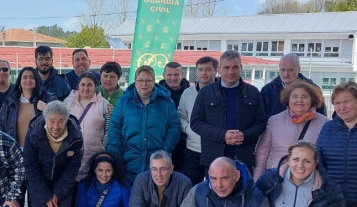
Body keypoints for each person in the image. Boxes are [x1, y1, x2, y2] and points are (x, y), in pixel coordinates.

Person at [24, 101, 82, 207]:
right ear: (45, 120)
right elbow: (30, 166)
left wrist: (57, 193)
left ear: (66, 120)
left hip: (62, 182)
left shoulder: (76, 137)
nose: (56, 126)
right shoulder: (33, 134)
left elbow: (72, 169)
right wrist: (46, 196)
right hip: (39, 181)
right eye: (52, 121)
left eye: (61, 121)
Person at [0, 67, 56, 207]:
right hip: (15, 155)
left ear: (36, 80)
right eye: (25, 77)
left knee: (36, 193)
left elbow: (60, 118)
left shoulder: (47, 99)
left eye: (31, 77)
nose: (28, 80)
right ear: (20, 81)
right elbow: (0, 128)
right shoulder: (10, 101)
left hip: (38, 154)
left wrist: (47, 109)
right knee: (16, 193)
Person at [190, 50, 266, 176]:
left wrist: (245, 135)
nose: (231, 72)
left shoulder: (253, 92)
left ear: (241, 68)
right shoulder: (206, 92)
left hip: (243, 158)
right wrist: (222, 135)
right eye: (226, 67)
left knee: (243, 194)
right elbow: (196, 122)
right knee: (215, 194)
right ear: (219, 69)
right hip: (214, 158)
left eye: (235, 67)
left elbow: (261, 122)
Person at [107, 65, 181, 184]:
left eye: (148, 80)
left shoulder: (165, 101)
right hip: (129, 161)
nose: (144, 84)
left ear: (154, 82)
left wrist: (165, 150)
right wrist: (116, 158)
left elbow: (175, 127)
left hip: (157, 164)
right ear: (135, 82)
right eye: (140, 80)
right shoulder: (124, 101)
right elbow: (114, 128)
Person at [254, 80, 329, 180]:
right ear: (288, 99)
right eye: (295, 96)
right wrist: (257, 180)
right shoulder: (274, 121)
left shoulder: (324, 123)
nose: (299, 100)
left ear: (312, 100)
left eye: (305, 97)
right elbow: (262, 152)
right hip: (277, 178)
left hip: (309, 180)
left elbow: (327, 156)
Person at [64, 72, 113, 182]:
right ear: (78, 86)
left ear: (95, 86)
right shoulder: (67, 102)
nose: (86, 88)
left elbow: (109, 130)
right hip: (71, 157)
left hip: (94, 158)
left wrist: (102, 147)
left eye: (90, 85)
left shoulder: (104, 104)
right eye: (83, 84)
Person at [178, 56, 218, 185]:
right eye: (200, 69)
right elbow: (181, 116)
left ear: (216, 70)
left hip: (215, 149)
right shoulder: (187, 93)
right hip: (193, 149)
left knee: (214, 185)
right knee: (191, 186)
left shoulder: (223, 92)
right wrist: (187, 129)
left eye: (208, 69)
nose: (204, 73)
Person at [260, 53, 327, 119]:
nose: (286, 74)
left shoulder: (313, 90)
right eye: (282, 70)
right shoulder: (267, 90)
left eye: (290, 70)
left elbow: (322, 118)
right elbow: (260, 118)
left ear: (299, 69)